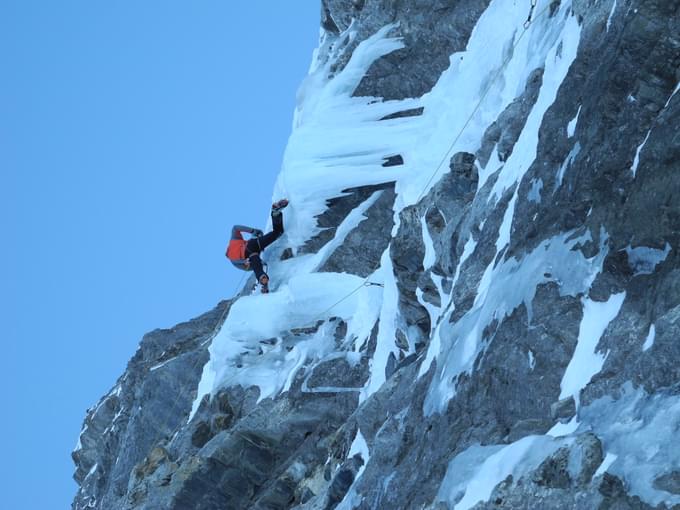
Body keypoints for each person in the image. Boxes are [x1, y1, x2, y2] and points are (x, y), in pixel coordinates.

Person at [226, 199, 288, 293]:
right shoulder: (233, 241)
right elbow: (235, 228)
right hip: (253, 243)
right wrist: (253, 231)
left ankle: (263, 281)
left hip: (250, 255)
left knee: (257, 267)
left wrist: (246, 261)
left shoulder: (232, 259)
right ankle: (275, 213)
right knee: (277, 232)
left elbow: (247, 266)